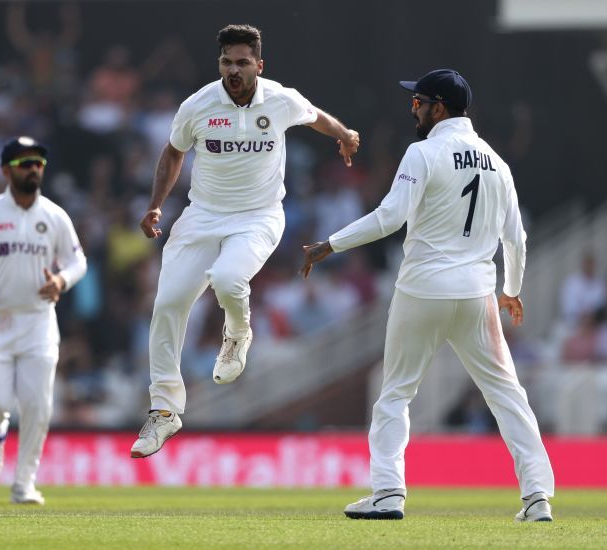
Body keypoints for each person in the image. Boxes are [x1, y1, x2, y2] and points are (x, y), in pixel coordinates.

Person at [301, 69, 554, 522]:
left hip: (423, 288)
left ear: (439, 108)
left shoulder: (424, 152)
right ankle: (537, 497)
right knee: (507, 395)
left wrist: (330, 244)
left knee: (395, 393)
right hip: (478, 294)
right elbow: (516, 240)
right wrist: (511, 291)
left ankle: (388, 492)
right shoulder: (498, 163)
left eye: (417, 101)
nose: (412, 109)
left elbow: (389, 218)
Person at [130, 24, 360, 459]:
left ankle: (237, 334)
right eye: (226, 62)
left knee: (228, 277)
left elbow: (316, 117)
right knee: (168, 305)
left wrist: (345, 135)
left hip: (258, 217)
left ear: (259, 64)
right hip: (201, 217)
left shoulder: (280, 98)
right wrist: (157, 204)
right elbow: (174, 152)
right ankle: (164, 411)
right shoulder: (198, 105)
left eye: (241, 62)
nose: (232, 70)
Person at [0, 136, 87, 504]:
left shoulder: (55, 217)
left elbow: (78, 262)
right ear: (6, 170)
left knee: (38, 406)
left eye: (38, 162)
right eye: (25, 163)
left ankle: (24, 483)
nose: (33, 169)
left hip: (38, 323)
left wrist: (61, 280)